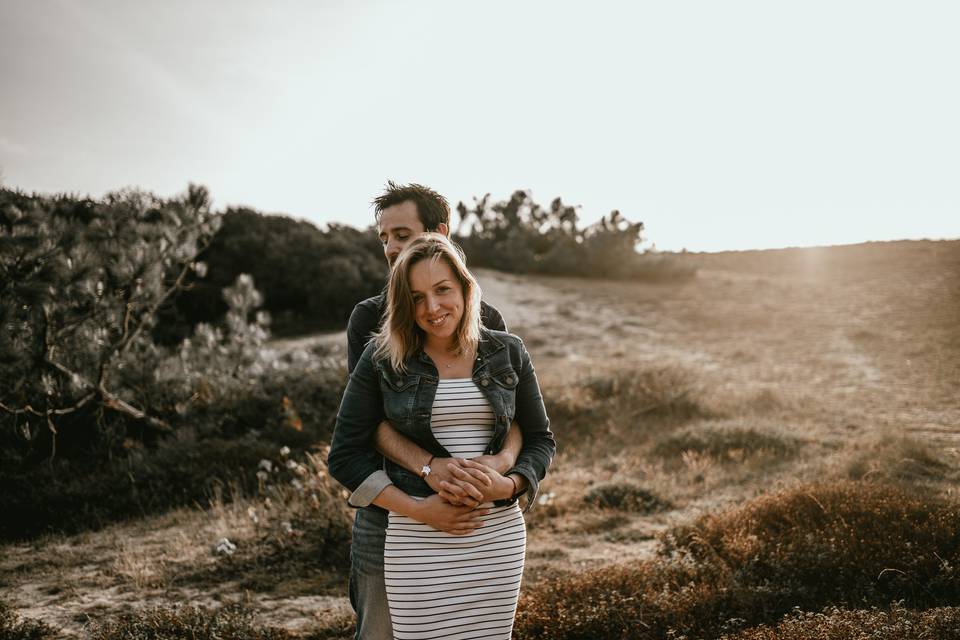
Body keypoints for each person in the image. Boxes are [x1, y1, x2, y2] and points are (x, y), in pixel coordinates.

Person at [329, 233, 555, 639]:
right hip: (415, 539)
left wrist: (508, 482)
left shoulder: (509, 350)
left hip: (495, 538)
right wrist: (421, 509)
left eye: (442, 290)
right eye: (416, 297)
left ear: (466, 288)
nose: (432, 308)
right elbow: (344, 456)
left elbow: (540, 439)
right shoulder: (382, 358)